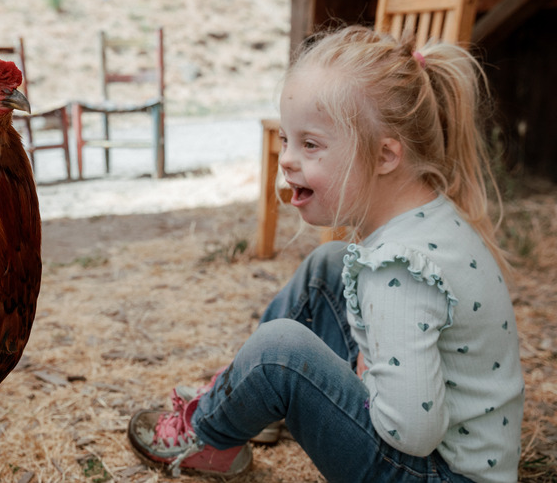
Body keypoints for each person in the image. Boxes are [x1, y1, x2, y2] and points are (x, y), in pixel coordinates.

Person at [127, 25, 524, 483]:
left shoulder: (398, 272)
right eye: (286, 142)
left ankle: (208, 439)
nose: (289, 161)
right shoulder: (429, 221)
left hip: (436, 474)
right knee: (329, 265)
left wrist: (369, 369)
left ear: (384, 156)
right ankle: (256, 405)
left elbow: (414, 432)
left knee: (280, 352)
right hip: (443, 456)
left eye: (311, 144)